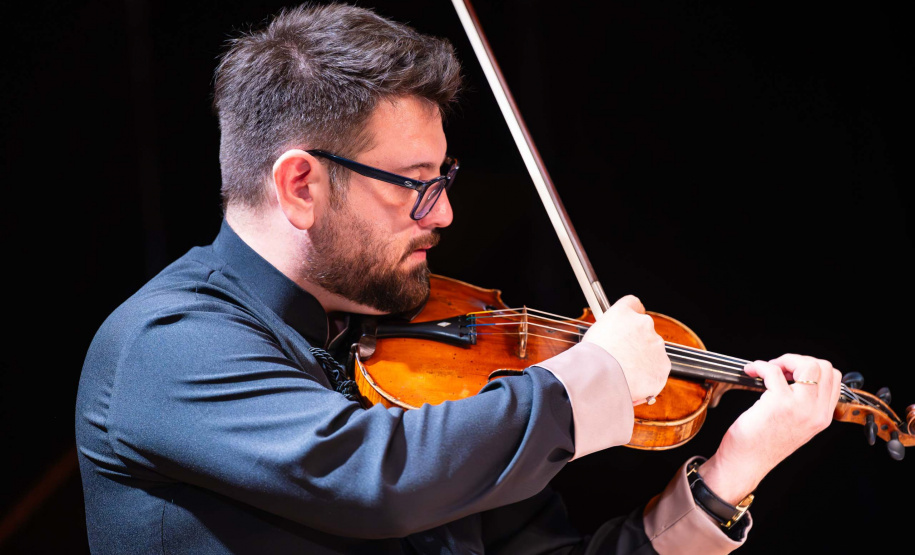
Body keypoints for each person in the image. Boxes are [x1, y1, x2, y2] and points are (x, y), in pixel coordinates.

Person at [75, 3, 841, 553]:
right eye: (414, 182)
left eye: (442, 176)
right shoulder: (164, 344)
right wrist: (592, 376)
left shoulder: (418, 370)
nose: (442, 215)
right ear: (301, 185)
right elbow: (372, 474)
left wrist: (727, 474)